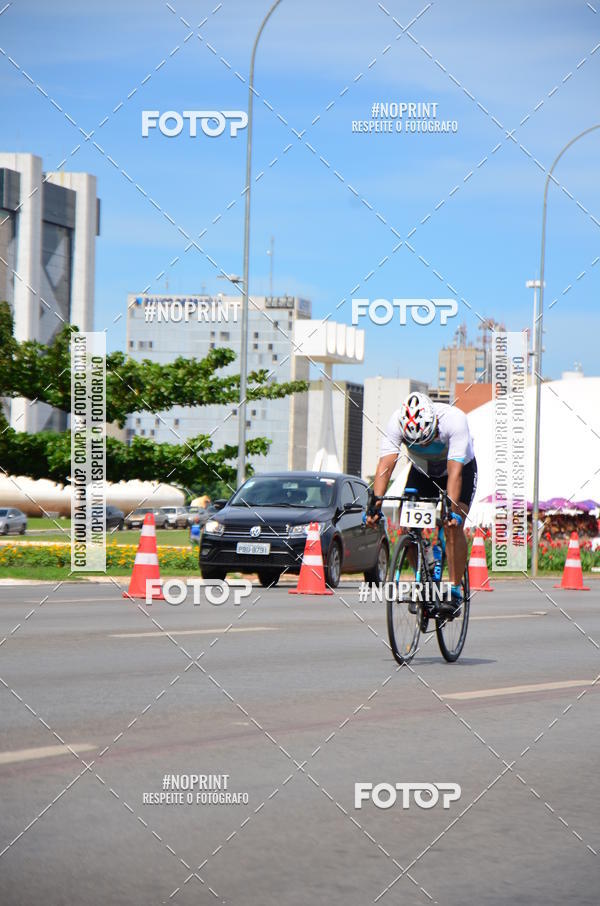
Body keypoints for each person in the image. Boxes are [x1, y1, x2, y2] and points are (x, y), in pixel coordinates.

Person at [367, 392, 477, 613]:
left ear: (434, 423)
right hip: (423, 471)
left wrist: (451, 511)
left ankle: (455, 589)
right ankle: (425, 574)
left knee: (452, 526)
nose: (423, 445)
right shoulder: (396, 423)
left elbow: (455, 473)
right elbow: (385, 466)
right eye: (417, 442)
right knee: (407, 527)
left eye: (427, 439)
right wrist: (374, 506)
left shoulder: (454, 420)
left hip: (458, 470)